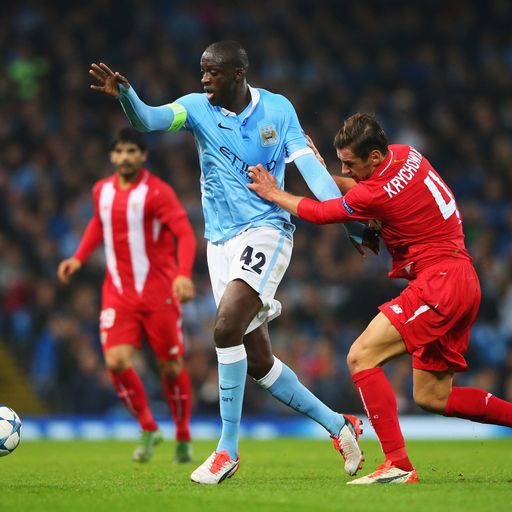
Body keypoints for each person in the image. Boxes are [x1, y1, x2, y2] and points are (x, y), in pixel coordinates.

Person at [88, 41, 373, 484]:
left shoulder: (278, 112)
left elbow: (312, 171)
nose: (203, 80)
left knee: (223, 329)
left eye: (212, 73)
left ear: (238, 74)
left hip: (267, 230)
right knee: (258, 361)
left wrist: (347, 220)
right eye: (202, 72)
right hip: (218, 244)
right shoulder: (197, 109)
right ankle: (340, 425)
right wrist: (127, 95)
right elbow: (148, 120)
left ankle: (226, 449)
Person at [248, 112, 512, 484]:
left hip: (440, 282)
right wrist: (325, 173)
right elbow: (374, 195)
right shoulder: (407, 154)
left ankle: (398, 465)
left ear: (373, 157)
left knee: (361, 355)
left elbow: (326, 213)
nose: (347, 170)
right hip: (462, 279)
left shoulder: (375, 190)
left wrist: (275, 193)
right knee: (433, 396)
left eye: (350, 164)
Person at [57, 128, 196, 464]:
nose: (125, 157)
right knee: (115, 361)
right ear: (111, 156)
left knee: (171, 367)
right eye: (119, 151)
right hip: (118, 293)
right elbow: (99, 224)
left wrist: (182, 274)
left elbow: (185, 234)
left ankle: (182, 434)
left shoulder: (158, 193)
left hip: (158, 293)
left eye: (132, 151)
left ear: (143, 155)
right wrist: (78, 257)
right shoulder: (101, 191)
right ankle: (148, 427)